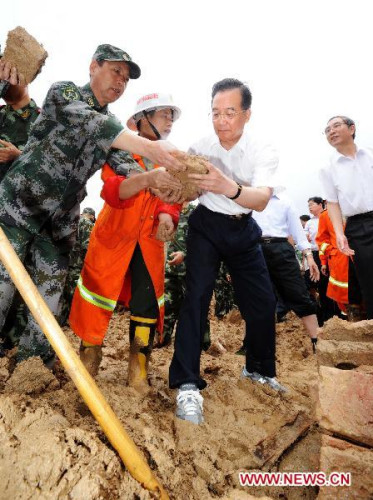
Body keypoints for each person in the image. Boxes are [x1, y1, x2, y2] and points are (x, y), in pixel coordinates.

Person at [0, 45, 183, 365]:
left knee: (48, 301)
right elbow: (93, 126)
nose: (120, 82)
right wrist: (152, 151)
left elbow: (129, 171)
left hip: (57, 227)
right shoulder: (64, 94)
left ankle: (32, 368)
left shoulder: (114, 128)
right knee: (1, 289)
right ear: (93, 66)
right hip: (19, 208)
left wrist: (166, 183)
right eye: (116, 72)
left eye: (126, 79)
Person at [169, 78, 286, 426]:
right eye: (216, 113)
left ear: (247, 115)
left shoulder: (262, 150)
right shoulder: (200, 147)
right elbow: (187, 191)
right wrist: (179, 190)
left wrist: (228, 186)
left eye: (230, 113)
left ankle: (259, 370)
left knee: (262, 302)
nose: (221, 120)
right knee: (196, 299)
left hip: (244, 226)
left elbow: (262, 200)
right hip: (206, 227)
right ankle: (187, 384)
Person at [69, 93, 182, 389]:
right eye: (164, 113)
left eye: (173, 115)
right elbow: (114, 192)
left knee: (146, 304)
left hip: (149, 242)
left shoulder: (175, 160)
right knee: (96, 296)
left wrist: (168, 215)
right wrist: (148, 179)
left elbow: (174, 197)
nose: (170, 119)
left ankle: (138, 371)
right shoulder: (118, 150)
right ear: (142, 119)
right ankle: (89, 360)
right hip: (113, 237)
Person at [320, 115, 373, 319]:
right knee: (368, 278)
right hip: (358, 227)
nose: (331, 131)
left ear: (351, 129)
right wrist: (340, 234)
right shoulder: (327, 169)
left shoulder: (370, 155)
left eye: (336, 126)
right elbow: (332, 203)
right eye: (327, 130)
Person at [253, 194, 320, 352]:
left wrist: (309, 256)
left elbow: (298, 232)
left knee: (299, 295)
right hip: (255, 250)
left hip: (281, 248)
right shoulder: (247, 199)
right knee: (258, 299)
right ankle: (253, 345)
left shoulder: (285, 201)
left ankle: (317, 341)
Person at [59, 207, 96, 325]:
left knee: (65, 291)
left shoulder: (74, 220)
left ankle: (62, 320)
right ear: (91, 216)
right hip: (78, 263)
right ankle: (74, 321)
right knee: (75, 293)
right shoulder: (87, 223)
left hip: (66, 262)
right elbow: (87, 245)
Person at [305, 197, 336, 325]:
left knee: (332, 282)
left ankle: (336, 313)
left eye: (311, 204)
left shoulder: (331, 217)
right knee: (320, 284)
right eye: (308, 206)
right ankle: (324, 316)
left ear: (320, 204)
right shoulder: (309, 223)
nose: (309, 207)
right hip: (316, 255)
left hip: (331, 254)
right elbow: (305, 239)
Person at [315, 206, 349, 315]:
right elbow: (321, 240)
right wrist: (333, 252)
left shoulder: (359, 210)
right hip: (339, 262)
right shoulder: (325, 215)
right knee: (343, 296)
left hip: (362, 256)